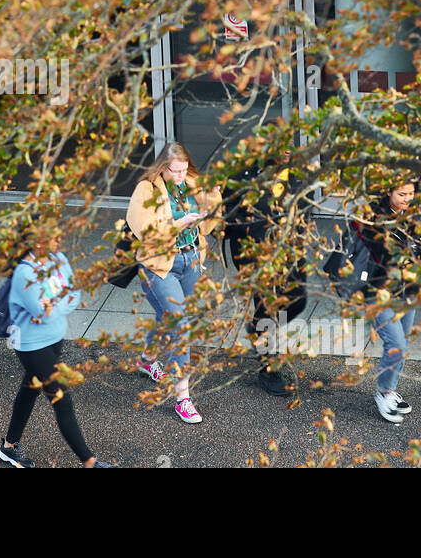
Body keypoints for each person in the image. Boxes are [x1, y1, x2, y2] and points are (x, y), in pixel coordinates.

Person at [0, 229, 113, 468]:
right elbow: (42, 312)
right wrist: (58, 302)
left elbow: (74, 295)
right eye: (54, 237)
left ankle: (8, 447)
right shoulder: (24, 273)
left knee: (30, 389)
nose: (59, 240)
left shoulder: (57, 259)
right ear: (37, 241)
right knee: (61, 398)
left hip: (53, 338)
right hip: (31, 345)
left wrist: (54, 304)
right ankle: (89, 461)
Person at [126, 142, 222, 424]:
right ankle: (183, 398)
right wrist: (180, 224)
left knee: (167, 315)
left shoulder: (191, 182)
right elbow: (145, 231)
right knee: (178, 322)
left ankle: (146, 360)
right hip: (158, 264)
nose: (180, 176)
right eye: (175, 171)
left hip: (191, 260)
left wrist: (214, 199)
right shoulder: (147, 189)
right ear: (163, 167)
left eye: (183, 170)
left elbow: (208, 221)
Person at [350, 179, 421, 424]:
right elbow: (374, 254)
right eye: (401, 193)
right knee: (396, 343)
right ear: (388, 191)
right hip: (379, 291)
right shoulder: (373, 217)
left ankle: (389, 389)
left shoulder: (418, 215)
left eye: (411, 193)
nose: (407, 198)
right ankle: (384, 392)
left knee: (403, 345)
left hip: (408, 289)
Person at [221, 164, 309, 396]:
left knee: (298, 298)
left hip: (288, 250)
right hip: (254, 252)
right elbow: (226, 215)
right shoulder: (243, 176)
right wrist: (255, 227)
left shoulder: (297, 175)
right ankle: (268, 368)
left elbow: (304, 209)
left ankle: (260, 329)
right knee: (266, 303)